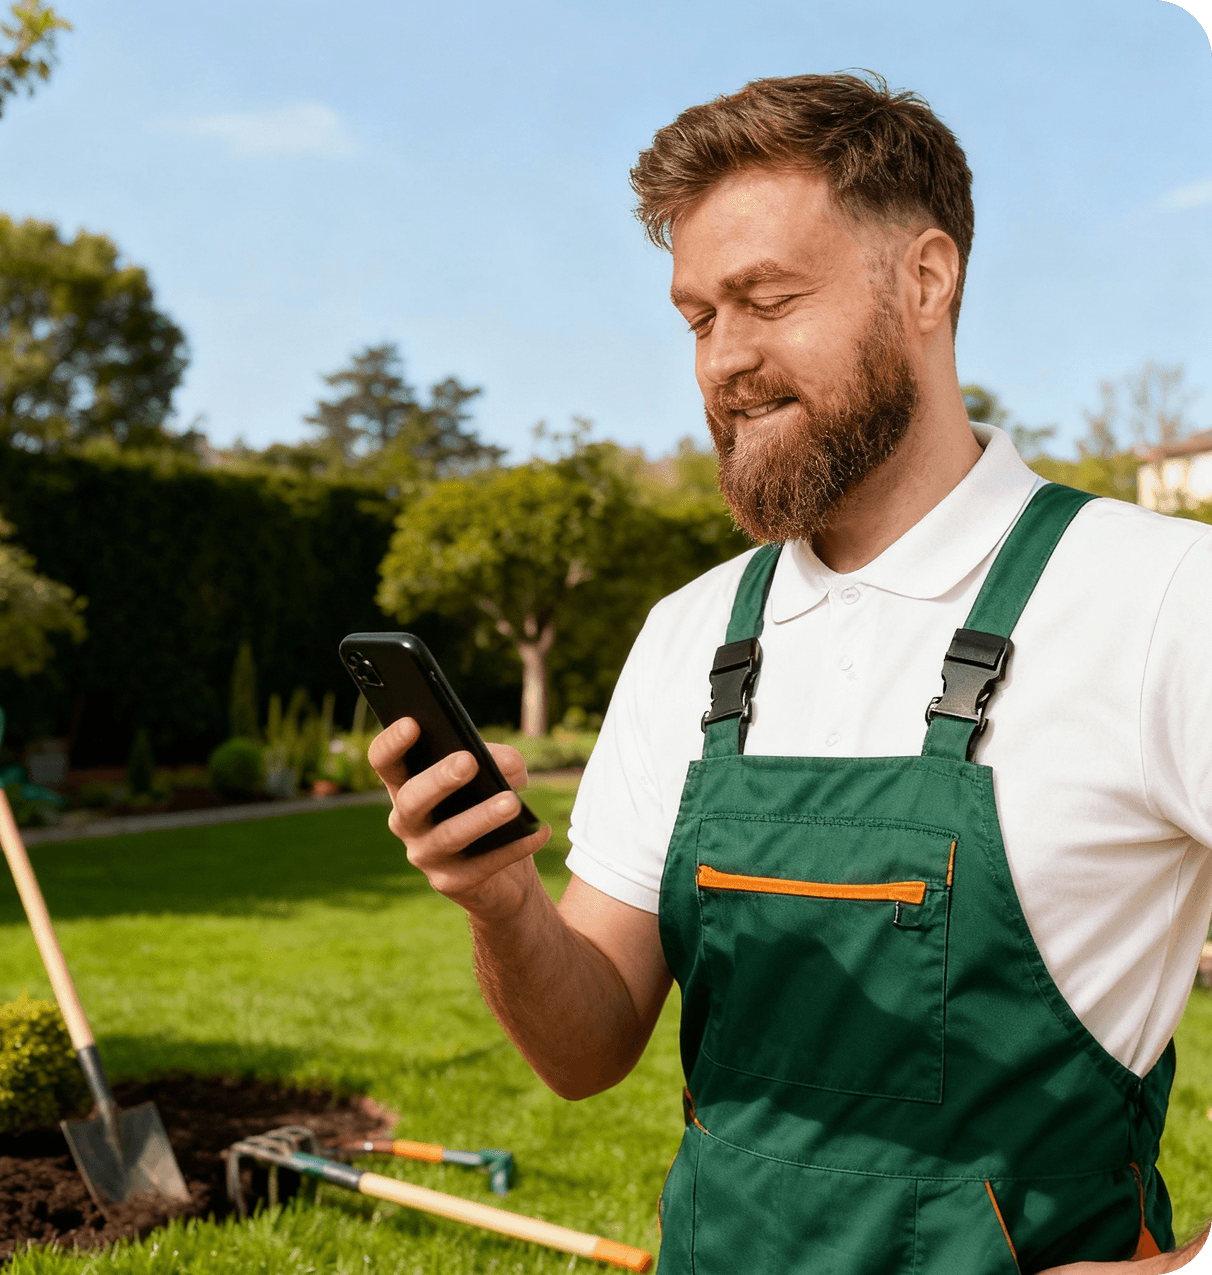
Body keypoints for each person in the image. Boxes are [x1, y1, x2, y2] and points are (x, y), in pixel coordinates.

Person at [369, 73, 1212, 1274]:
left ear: (926, 280)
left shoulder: (1165, 597)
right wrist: (499, 898)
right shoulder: (692, 634)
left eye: (768, 300)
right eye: (699, 317)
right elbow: (585, 1048)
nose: (726, 361)